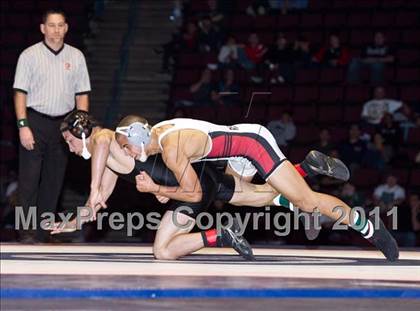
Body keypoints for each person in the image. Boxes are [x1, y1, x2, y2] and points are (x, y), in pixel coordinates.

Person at [51, 111, 350, 259]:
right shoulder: (112, 160)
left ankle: (304, 171)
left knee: (265, 196)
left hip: (191, 186)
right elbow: (98, 201)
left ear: (82, 131)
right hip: (192, 188)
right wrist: (71, 222)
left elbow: (100, 140)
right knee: (163, 251)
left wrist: (93, 189)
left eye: (68, 140)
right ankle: (222, 234)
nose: (69, 146)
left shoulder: (106, 140)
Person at [114, 116, 399, 261]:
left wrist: (154, 187)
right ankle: (305, 168)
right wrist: (165, 189)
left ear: (137, 136)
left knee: (308, 203)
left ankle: (368, 226)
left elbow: (196, 194)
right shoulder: (161, 132)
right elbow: (189, 186)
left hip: (252, 145)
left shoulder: (171, 152)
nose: (126, 154)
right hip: (237, 148)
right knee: (241, 196)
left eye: (125, 147)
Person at [13, 9, 91, 243]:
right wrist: (22, 125)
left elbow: (82, 94)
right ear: (43, 28)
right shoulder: (29, 55)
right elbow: (19, 93)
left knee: (54, 180)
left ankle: (42, 231)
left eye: (60, 25)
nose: (56, 29)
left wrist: (81, 128)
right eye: (52, 25)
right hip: (34, 120)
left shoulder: (76, 56)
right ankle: (25, 231)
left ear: (66, 28)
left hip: (64, 126)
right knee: (29, 179)